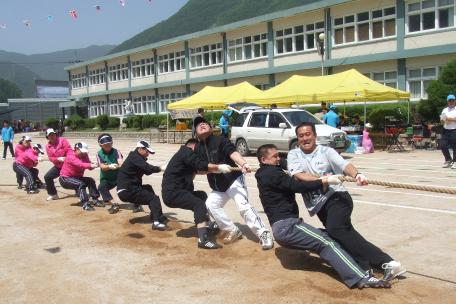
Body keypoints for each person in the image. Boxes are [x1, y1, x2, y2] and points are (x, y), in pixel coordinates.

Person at [255, 144, 390, 289]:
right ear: (263, 159)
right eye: (275, 156)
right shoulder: (272, 174)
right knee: (326, 243)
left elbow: (283, 164)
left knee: (332, 235)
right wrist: (324, 181)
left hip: (284, 228)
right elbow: (298, 187)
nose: (278, 158)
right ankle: (360, 277)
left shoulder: (266, 171)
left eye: (278, 155)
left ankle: (362, 264)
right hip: (288, 227)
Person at [287, 122, 406, 281]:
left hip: (337, 198)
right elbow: (299, 175)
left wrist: (357, 174)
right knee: (344, 234)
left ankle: (387, 262)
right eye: (301, 136)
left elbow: (345, 165)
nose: (305, 138)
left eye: (308, 134)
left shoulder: (326, 151)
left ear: (315, 136)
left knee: (337, 230)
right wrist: (325, 179)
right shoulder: (294, 154)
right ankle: (365, 265)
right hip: (318, 205)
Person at [193, 116, 274, 249]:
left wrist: (243, 163)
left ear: (211, 128)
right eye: (198, 125)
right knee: (210, 204)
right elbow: (199, 169)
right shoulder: (198, 148)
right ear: (196, 132)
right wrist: (216, 168)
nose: (202, 124)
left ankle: (264, 233)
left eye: (205, 123)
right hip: (218, 187)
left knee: (243, 206)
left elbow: (233, 152)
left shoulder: (220, 140)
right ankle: (232, 229)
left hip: (233, 180)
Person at [161, 138, 232, 249]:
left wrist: (215, 170)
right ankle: (203, 240)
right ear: (194, 146)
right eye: (200, 149)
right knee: (199, 204)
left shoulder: (185, 156)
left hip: (179, 192)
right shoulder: (185, 152)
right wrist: (218, 166)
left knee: (201, 195)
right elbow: (199, 164)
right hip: (173, 194)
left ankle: (207, 225)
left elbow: (198, 170)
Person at [116, 140, 169, 231]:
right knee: (154, 198)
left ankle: (156, 215)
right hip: (127, 191)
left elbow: (147, 171)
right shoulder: (135, 157)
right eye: (147, 151)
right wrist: (160, 168)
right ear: (140, 149)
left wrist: (158, 169)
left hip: (128, 189)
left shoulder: (135, 158)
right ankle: (156, 223)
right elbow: (147, 168)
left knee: (148, 188)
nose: (148, 154)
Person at [59, 142, 102, 211]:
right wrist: (90, 165)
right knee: (80, 184)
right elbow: (80, 164)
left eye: (84, 152)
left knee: (90, 180)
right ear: (76, 149)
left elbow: (89, 166)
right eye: (82, 152)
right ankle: (85, 204)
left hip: (77, 178)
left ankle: (95, 199)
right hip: (65, 179)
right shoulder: (70, 156)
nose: (84, 153)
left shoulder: (85, 155)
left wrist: (96, 164)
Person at [96, 134, 123, 214]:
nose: (108, 146)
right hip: (106, 178)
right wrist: (110, 166)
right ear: (100, 145)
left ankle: (136, 203)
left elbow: (121, 162)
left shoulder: (116, 151)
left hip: (117, 176)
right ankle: (114, 204)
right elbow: (102, 166)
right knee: (101, 187)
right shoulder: (99, 153)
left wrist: (117, 165)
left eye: (109, 144)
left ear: (112, 143)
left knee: (126, 188)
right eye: (105, 145)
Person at [44, 128, 72, 201]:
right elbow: (50, 157)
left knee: (74, 178)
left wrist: (67, 158)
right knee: (47, 177)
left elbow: (69, 150)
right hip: (58, 166)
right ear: (47, 137)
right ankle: (53, 194)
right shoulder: (48, 146)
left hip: (68, 165)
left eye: (53, 134)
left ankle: (80, 193)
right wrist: (57, 159)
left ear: (56, 134)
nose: (52, 136)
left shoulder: (62, 140)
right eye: (50, 135)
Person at [440, 94, 456, 168]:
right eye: (450, 101)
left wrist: (449, 119)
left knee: (454, 146)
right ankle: (448, 160)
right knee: (442, 145)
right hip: (445, 130)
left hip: (454, 130)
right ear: (447, 102)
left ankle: (455, 161)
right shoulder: (445, 110)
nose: (451, 102)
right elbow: (442, 120)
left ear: (455, 101)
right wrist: (443, 121)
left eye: (452, 100)